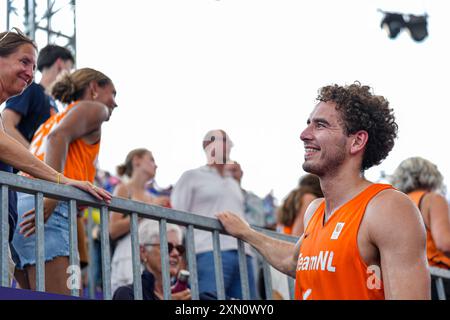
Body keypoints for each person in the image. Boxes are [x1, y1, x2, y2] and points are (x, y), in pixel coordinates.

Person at [218, 82, 430, 300]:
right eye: (308, 123)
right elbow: (293, 260)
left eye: (320, 125)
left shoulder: (387, 208)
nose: (303, 134)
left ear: (357, 141)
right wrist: (246, 232)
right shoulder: (315, 210)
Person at [0, 28, 110, 285]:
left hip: (13, 222)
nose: (30, 73)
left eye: (34, 65)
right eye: (23, 61)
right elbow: (5, 142)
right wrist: (58, 182)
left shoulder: (52, 113)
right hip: (39, 211)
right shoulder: (76, 110)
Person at [12, 66, 117, 295]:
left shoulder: (51, 120)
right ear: (94, 89)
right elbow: (58, 137)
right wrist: (53, 194)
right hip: (48, 206)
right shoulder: (95, 109)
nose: (115, 103)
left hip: (20, 207)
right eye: (113, 93)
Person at [171, 129, 257, 299]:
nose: (229, 144)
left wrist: (238, 180)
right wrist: (181, 256)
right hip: (208, 251)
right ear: (207, 145)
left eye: (229, 141)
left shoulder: (233, 182)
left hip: (243, 252)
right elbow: (176, 218)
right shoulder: (191, 176)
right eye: (223, 140)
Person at [110, 148, 169, 294]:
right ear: (136, 160)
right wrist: (149, 209)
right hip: (128, 255)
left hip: (152, 258)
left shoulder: (153, 198)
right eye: (151, 159)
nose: (156, 165)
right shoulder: (123, 189)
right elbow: (112, 230)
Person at [391, 157, 450, 299]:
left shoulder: (394, 206)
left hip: (403, 284)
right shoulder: (432, 199)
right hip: (438, 281)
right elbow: (445, 243)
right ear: (430, 174)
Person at [3, 44, 74, 148]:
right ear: (60, 63)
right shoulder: (31, 89)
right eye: (69, 69)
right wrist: (34, 157)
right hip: (22, 163)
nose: (69, 74)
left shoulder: (53, 103)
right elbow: (6, 124)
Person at [113, 219, 191, 300]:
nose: (176, 253)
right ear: (143, 252)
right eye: (167, 247)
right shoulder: (127, 294)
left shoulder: (188, 294)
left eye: (179, 248)